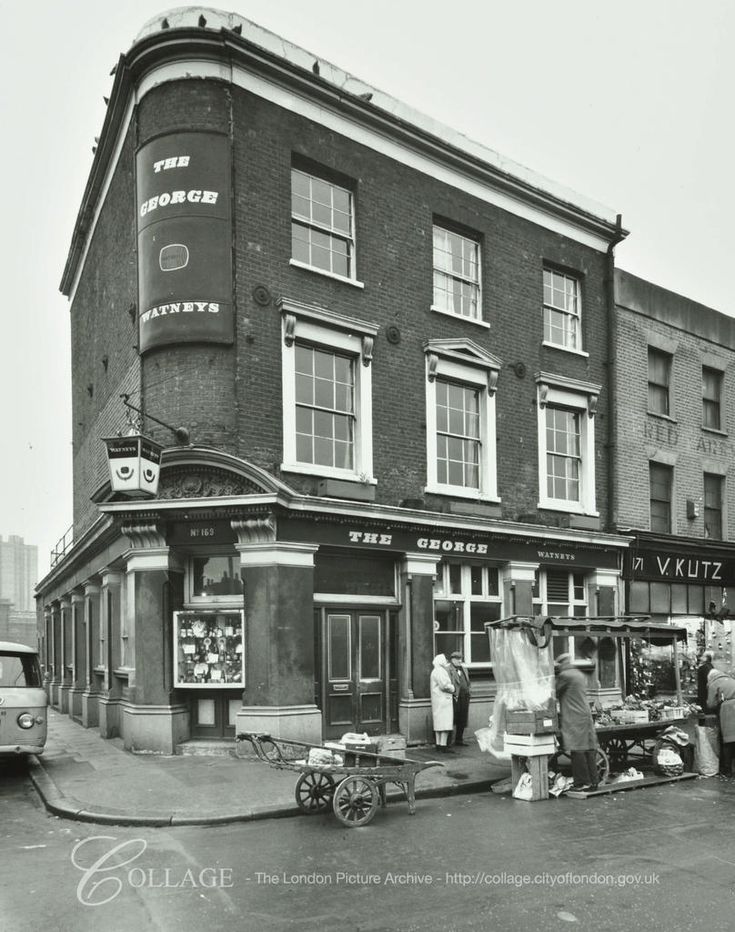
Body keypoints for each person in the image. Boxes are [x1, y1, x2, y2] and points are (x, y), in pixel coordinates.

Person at [555, 653, 598, 791]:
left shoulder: (565, 676)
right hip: (585, 715)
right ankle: (594, 781)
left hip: (573, 717)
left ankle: (582, 783)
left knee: (577, 750)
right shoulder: (579, 674)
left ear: (562, 663)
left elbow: (555, 693)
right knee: (588, 749)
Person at [707, 667, 735, 777]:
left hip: (728, 710)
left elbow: (711, 704)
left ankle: (727, 770)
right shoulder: (732, 680)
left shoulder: (714, 683)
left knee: (728, 739)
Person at [430, 653, 455, 752]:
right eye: (444, 660)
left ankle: (439, 744)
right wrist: (452, 688)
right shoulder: (441, 671)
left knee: (438, 724)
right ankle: (443, 746)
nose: (446, 662)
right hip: (444, 700)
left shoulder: (434, 671)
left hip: (438, 700)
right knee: (445, 724)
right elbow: (444, 685)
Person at [449, 651, 471, 746]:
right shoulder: (448, 669)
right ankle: (448, 741)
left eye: (460, 658)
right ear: (452, 659)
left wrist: (469, 691)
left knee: (463, 718)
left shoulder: (464, 669)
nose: (459, 661)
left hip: (465, 696)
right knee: (453, 717)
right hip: (455, 697)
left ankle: (459, 739)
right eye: (457, 659)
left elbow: (467, 681)